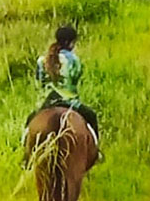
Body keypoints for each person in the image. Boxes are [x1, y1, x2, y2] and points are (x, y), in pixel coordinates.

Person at [26, 24, 102, 157]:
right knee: (91, 116)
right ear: (71, 43)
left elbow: (39, 80)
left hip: (47, 103)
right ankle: (96, 153)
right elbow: (75, 79)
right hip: (70, 103)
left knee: (29, 123)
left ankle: (26, 155)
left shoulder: (41, 60)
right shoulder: (74, 60)